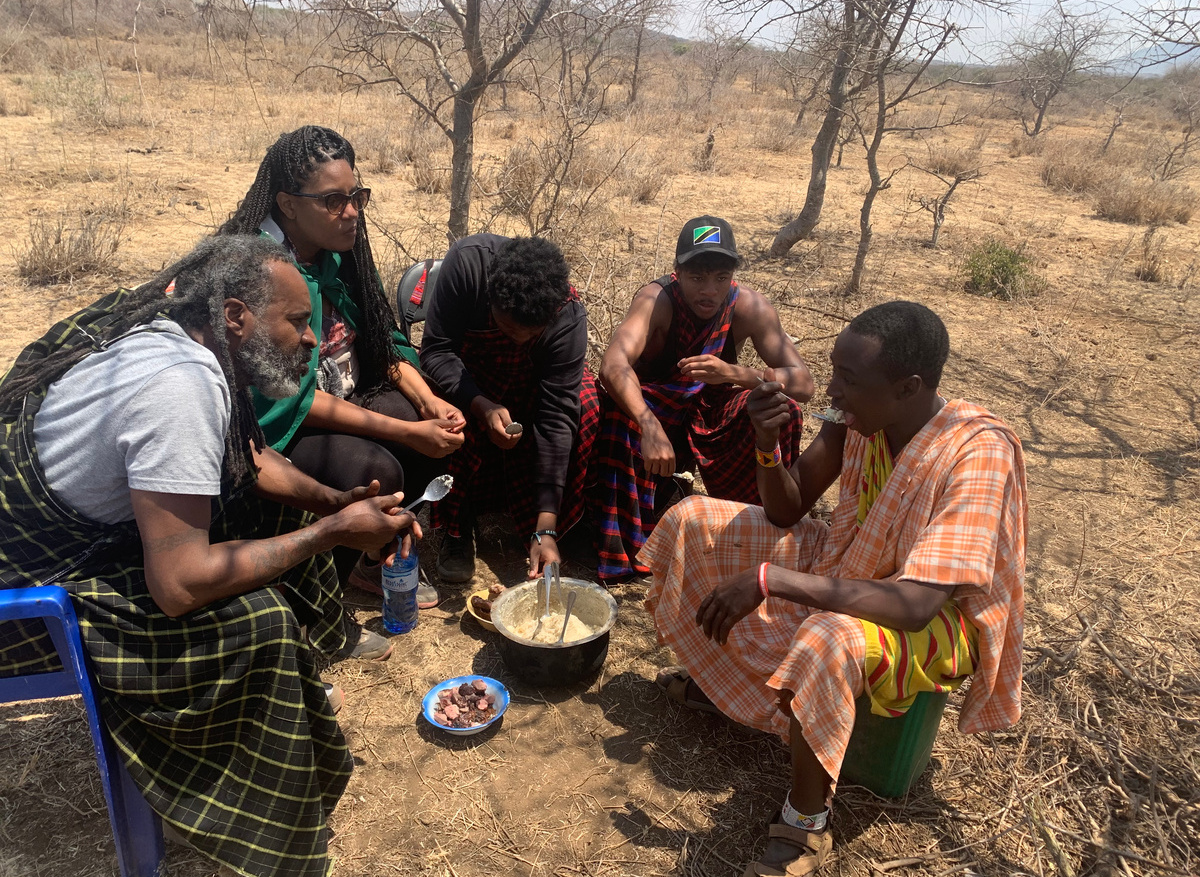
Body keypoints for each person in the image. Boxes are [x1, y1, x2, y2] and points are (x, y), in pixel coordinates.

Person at [0, 237, 421, 877]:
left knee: (283, 511)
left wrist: (330, 502)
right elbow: (177, 587)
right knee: (260, 623)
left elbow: (249, 459)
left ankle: (305, 678)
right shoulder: (179, 386)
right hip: (29, 595)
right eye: (298, 322)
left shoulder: (184, 332)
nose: (312, 342)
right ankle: (268, 824)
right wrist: (329, 534)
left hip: (65, 539)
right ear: (235, 316)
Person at [640, 301, 1027, 877]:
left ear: (907, 387)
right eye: (834, 374)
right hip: (851, 562)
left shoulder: (976, 453)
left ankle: (804, 823)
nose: (834, 392)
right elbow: (785, 508)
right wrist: (767, 443)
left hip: (942, 618)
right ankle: (733, 688)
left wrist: (775, 581)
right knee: (693, 519)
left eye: (849, 380)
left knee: (828, 635)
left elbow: (918, 605)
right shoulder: (858, 422)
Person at [218, 125, 462, 607]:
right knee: (374, 470)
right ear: (288, 205)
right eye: (333, 201)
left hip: (344, 394)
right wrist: (403, 432)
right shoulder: (261, 270)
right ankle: (321, 605)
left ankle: (376, 561)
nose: (350, 213)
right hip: (274, 431)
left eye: (356, 196)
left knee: (427, 414)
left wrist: (431, 403)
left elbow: (383, 343)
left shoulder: (341, 253)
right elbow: (289, 399)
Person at [594, 215, 815, 581]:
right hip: (656, 406)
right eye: (697, 278)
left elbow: (804, 384)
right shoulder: (656, 299)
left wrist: (738, 374)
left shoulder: (750, 308)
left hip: (709, 411)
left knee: (780, 408)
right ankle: (632, 550)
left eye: (720, 278)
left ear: (733, 277)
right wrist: (648, 424)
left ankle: (751, 528)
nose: (709, 290)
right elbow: (614, 364)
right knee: (623, 418)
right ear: (677, 273)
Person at [419, 234, 599, 583]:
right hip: (470, 375)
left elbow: (557, 412)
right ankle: (458, 526)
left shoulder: (568, 314)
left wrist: (546, 526)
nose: (516, 340)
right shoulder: (468, 265)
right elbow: (437, 350)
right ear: (490, 298)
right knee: (446, 411)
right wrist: (480, 404)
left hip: (531, 383)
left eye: (529, 334)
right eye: (506, 327)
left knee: (586, 406)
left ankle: (554, 525)